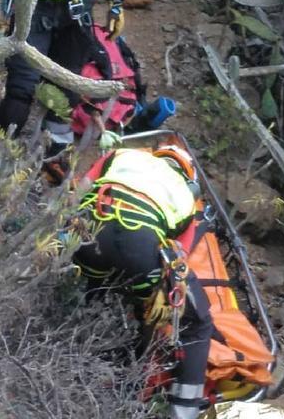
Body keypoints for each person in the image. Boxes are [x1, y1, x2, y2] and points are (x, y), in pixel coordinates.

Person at [71, 145, 213, 419]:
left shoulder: (122, 155)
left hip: (86, 231)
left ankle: (75, 339)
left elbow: (78, 192)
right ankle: (181, 411)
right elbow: (178, 259)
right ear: (188, 177)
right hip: (136, 247)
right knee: (196, 323)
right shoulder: (186, 198)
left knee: (95, 284)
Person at [0, 0, 126, 181]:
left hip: (78, 9)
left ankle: (54, 153)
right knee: (21, 88)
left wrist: (116, 0)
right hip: (34, 6)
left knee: (68, 82)